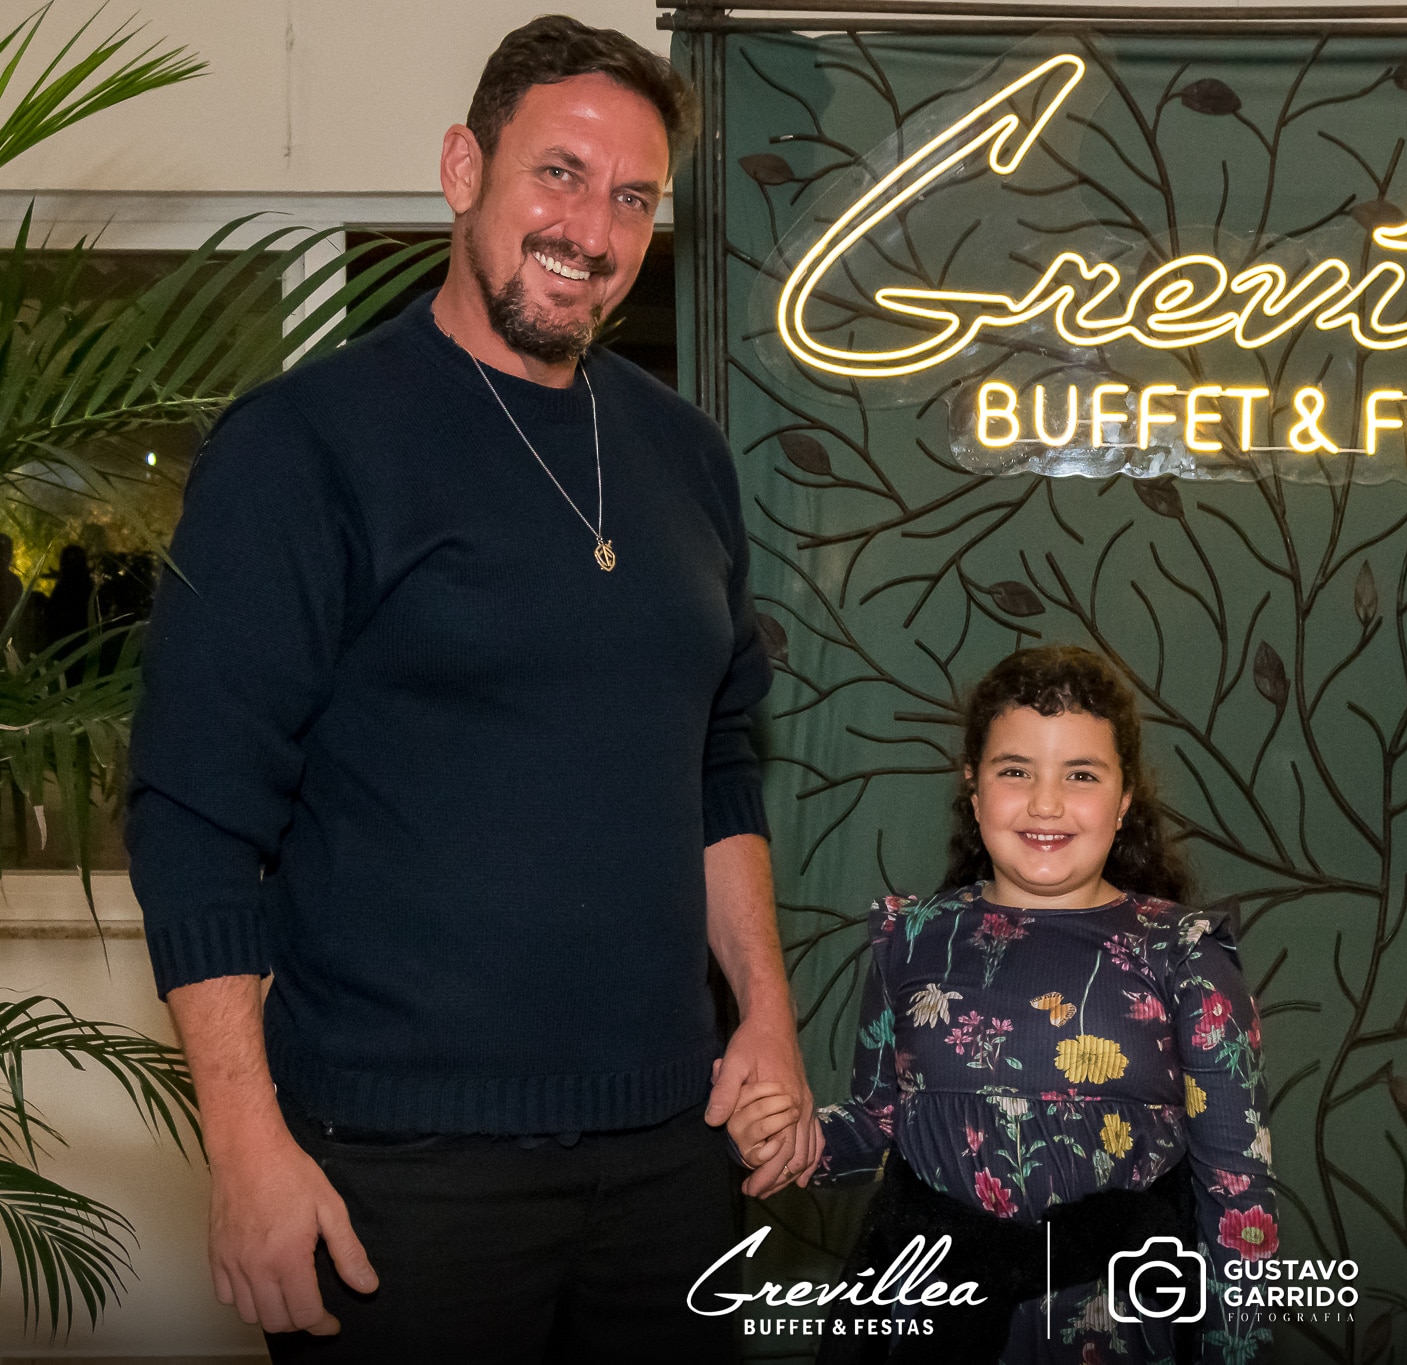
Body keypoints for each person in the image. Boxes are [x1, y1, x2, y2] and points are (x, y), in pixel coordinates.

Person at [126, 16, 818, 1363]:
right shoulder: (302, 448)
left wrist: (769, 1023)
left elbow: (718, 764)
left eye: (633, 198)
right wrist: (246, 1145)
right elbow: (193, 817)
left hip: (672, 1158)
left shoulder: (684, 456)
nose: (593, 230)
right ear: (463, 169)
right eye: (559, 173)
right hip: (396, 1174)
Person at [729, 646, 1277, 1363]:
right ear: (973, 787)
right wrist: (789, 1138)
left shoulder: (1186, 955)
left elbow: (1240, 1200)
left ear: (1124, 799)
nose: (1046, 803)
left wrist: (1237, 1351)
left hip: (1114, 1326)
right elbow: (877, 1122)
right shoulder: (910, 938)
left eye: (1081, 774)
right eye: (1015, 770)